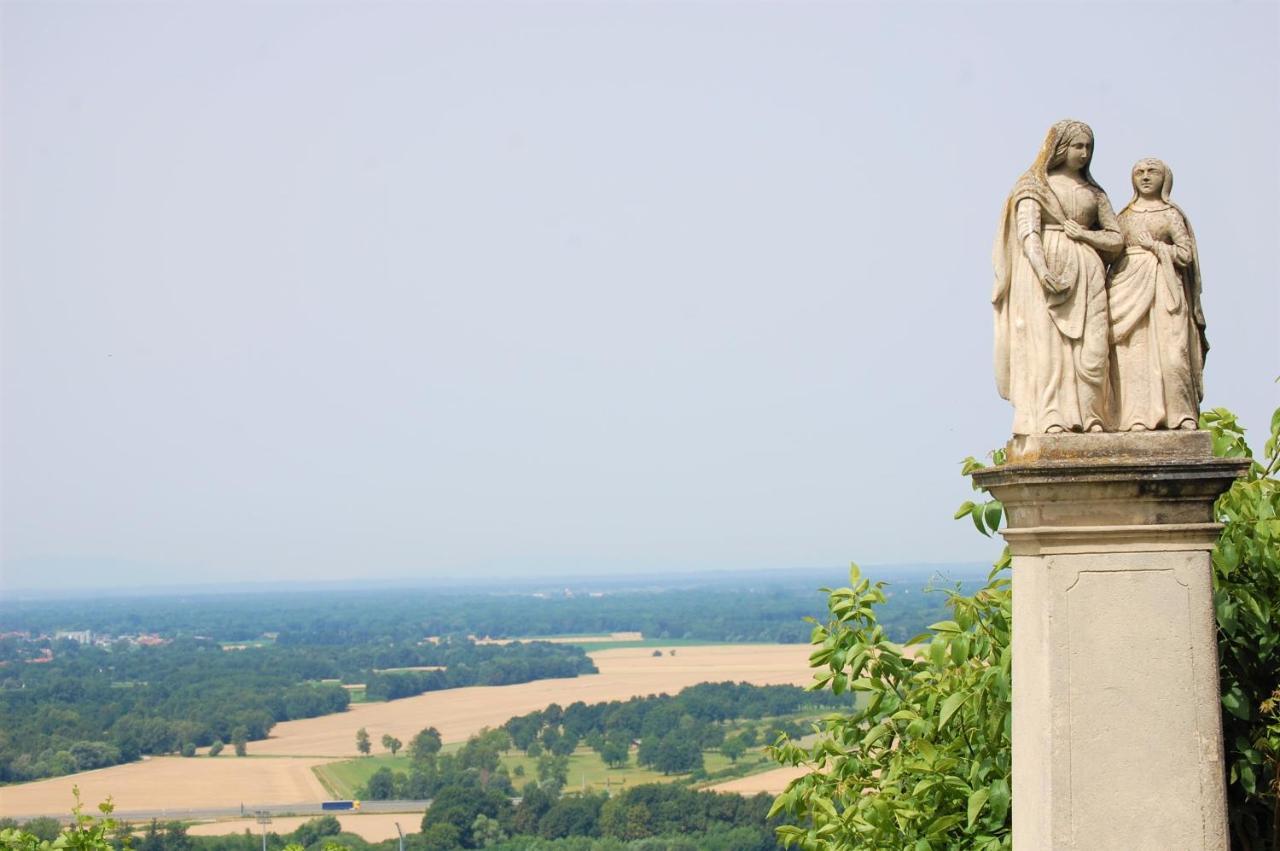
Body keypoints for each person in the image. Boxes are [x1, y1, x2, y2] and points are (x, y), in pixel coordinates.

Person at [992, 119, 1122, 435]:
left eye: (1089, 147)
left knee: (1093, 352)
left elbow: (1116, 239)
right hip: (1044, 278)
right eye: (1078, 146)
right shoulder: (1034, 186)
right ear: (1061, 148)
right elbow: (1028, 233)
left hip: (1088, 275)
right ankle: (1050, 416)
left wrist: (1087, 238)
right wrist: (1042, 270)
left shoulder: (1095, 193)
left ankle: (1091, 417)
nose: (1084, 153)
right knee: (1047, 351)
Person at [1106, 158, 1206, 431]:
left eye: (1152, 172)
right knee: (1133, 356)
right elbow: (1113, 250)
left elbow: (1185, 254)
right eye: (1140, 172)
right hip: (1127, 287)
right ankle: (1134, 417)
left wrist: (1158, 249)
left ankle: (1181, 415)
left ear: (1165, 179)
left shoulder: (1170, 214)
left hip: (1166, 289)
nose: (1146, 177)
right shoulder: (1124, 217)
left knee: (1173, 354)